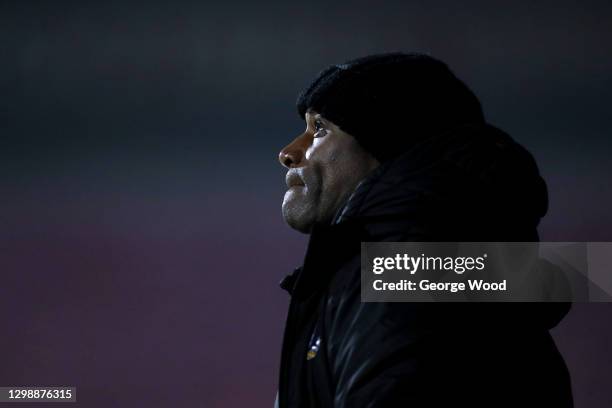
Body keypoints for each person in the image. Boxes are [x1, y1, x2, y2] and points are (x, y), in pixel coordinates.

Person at [276, 53, 573, 407]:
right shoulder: (438, 271)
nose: (289, 153)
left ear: (386, 146)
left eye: (320, 128)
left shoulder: (402, 277)